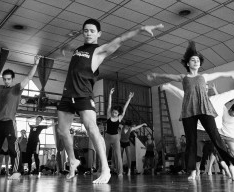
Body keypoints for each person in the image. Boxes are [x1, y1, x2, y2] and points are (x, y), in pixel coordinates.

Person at [57, 18, 164, 184]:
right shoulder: (79, 49)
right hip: (66, 95)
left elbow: (120, 39)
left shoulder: (99, 50)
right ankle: (72, 160)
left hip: (83, 95)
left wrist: (141, 28)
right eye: (85, 30)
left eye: (92, 31)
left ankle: (106, 170)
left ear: (99, 33)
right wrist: (66, 46)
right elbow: (72, 49)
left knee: (91, 128)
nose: (88, 33)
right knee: (62, 131)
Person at [148, 40, 234, 181]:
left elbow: (219, 74)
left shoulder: (204, 76)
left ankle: (232, 168)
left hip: (204, 108)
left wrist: (230, 73)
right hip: (188, 111)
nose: (196, 62)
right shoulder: (183, 77)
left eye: (198, 60)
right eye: (193, 60)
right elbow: (168, 76)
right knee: (191, 142)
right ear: (187, 63)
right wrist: (156, 75)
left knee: (216, 137)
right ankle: (192, 171)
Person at [0, 55, 40, 179]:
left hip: (9, 122)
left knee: (13, 147)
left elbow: (29, 77)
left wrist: (35, 64)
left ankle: (17, 172)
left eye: (9, 79)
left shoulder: (16, 88)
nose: (6, 81)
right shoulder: (1, 88)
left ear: (12, 79)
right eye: (5, 79)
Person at [105, 88, 134, 176]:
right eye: (113, 112)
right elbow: (109, 105)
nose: (114, 114)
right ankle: (102, 170)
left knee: (118, 155)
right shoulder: (108, 115)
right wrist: (110, 94)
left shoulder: (119, 118)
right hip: (107, 137)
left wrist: (129, 98)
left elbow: (124, 108)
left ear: (118, 114)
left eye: (116, 113)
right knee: (104, 154)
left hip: (116, 138)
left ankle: (120, 172)